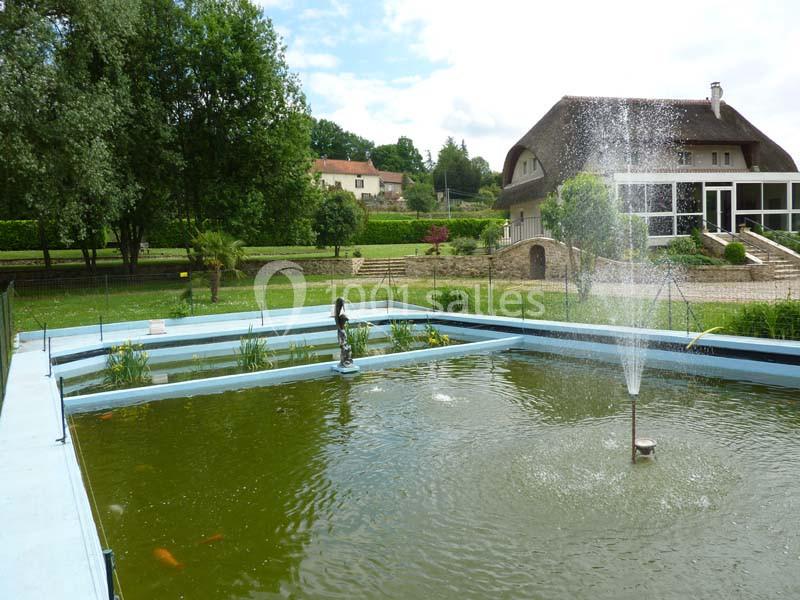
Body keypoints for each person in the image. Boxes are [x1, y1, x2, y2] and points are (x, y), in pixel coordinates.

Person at [333, 297, 353, 367]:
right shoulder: (337, 314)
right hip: (340, 331)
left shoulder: (341, 311)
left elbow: (346, 318)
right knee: (343, 347)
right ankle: (343, 361)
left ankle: (346, 360)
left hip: (342, 331)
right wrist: (341, 331)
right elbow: (338, 324)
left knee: (346, 347)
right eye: (343, 303)